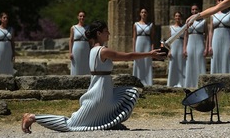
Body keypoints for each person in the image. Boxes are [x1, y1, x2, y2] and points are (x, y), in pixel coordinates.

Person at [21, 20, 165, 134]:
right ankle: (33, 117)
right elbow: (128, 56)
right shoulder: (102, 51)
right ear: (98, 33)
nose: (109, 33)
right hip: (98, 93)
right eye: (106, 31)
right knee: (71, 124)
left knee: (128, 93)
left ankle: (108, 122)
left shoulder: (93, 50)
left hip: (104, 90)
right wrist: (150, 54)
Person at [208, 0, 230, 73]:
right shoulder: (213, 15)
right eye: (219, 0)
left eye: (222, 0)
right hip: (215, 40)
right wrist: (209, 45)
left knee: (227, 58)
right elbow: (211, 31)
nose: (221, 1)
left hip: (227, 39)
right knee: (215, 58)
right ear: (216, 2)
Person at [183, 4, 208, 88]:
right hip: (190, 43)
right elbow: (186, 35)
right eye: (193, 9)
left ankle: (201, 84)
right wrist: (184, 48)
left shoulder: (203, 22)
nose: (194, 11)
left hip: (200, 43)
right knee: (190, 63)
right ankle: (189, 84)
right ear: (191, 11)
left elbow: (207, 35)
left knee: (200, 63)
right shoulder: (188, 22)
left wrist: (206, 47)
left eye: (196, 9)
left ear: (199, 10)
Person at [132, 8, 155, 86]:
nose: (143, 14)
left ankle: (148, 82)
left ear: (147, 14)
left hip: (147, 43)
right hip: (139, 43)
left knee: (147, 62)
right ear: (140, 14)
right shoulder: (136, 24)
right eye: (142, 12)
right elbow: (134, 38)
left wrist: (152, 48)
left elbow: (152, 38)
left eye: (145, 12)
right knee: (138, 62)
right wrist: (133, 50)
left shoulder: (150, 25)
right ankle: (137, 80)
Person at [167, 11, 186, 87]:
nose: (177, 17)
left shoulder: (184, 28)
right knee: (173, 64)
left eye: (179, 16)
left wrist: (185, 49)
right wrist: (169, 50)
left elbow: (185, 39)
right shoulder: (171, 28)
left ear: (181, 17)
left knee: (181, 64)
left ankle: (182, 83)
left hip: (181, 46)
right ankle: (172, 83)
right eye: (176, 16)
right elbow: (169, 40)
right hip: (173, 47)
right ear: (174, 17)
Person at [69, 10, 90, 75]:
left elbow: (91, 39)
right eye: (80, 16)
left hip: (86, 48)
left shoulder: (88, 27)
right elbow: (71, 40)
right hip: (76, 48)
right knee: (76, 65)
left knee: (86, 65)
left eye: (83, 16)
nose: (82, 17)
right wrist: (70, 52)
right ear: (78, 17)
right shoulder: (73, 28)